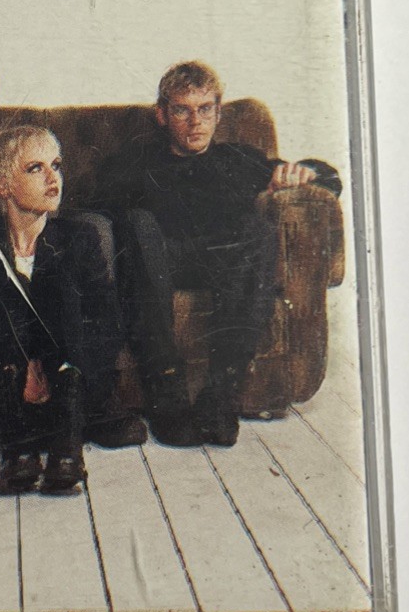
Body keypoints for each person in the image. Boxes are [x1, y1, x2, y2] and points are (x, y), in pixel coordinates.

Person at [96, 61, 342, 447]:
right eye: (182, 110)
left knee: (257, 231)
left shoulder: (238, 159)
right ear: (162, 115)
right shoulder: (137, 161)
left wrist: (303, 171)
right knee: (137, 223)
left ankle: (220, 397)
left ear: (218, 113)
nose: (195, 122)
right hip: (156, 267)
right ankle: (167, 396)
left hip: (223, 266)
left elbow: (330, 179)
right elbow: (92, 205)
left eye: (205, 109)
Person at [0, 124, 124, 495]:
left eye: (56, 165)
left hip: (68, 393)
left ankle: (67, 449)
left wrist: (53, 366)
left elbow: (105, 324)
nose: (53, 177)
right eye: (36, 168)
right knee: (1, 297)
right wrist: (15, 367)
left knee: (63, 290)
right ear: (2, 186)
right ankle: (18, 451)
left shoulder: (80, 238)